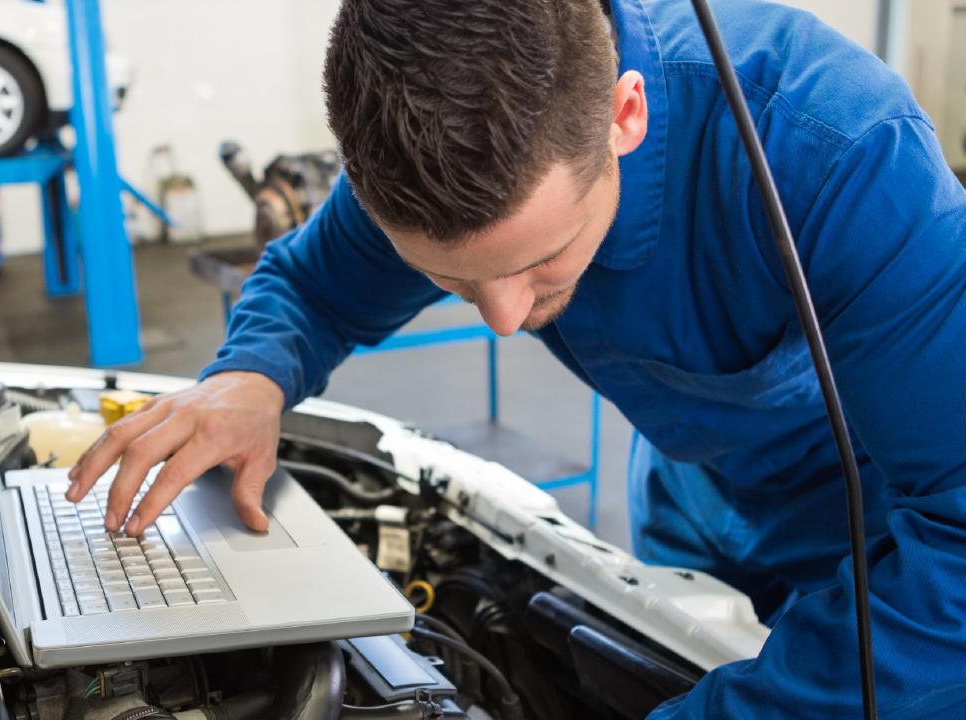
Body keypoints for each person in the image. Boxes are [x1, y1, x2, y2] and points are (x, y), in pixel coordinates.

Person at [68, 0, 966, 715]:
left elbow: (960, 541)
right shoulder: (435, 152)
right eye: (451, 279)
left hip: (889, 545)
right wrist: (248, 378)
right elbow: (313, 286)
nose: (505, 317)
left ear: (625, 116)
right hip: (694, 510)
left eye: (542, 261)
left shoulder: (839, 152)